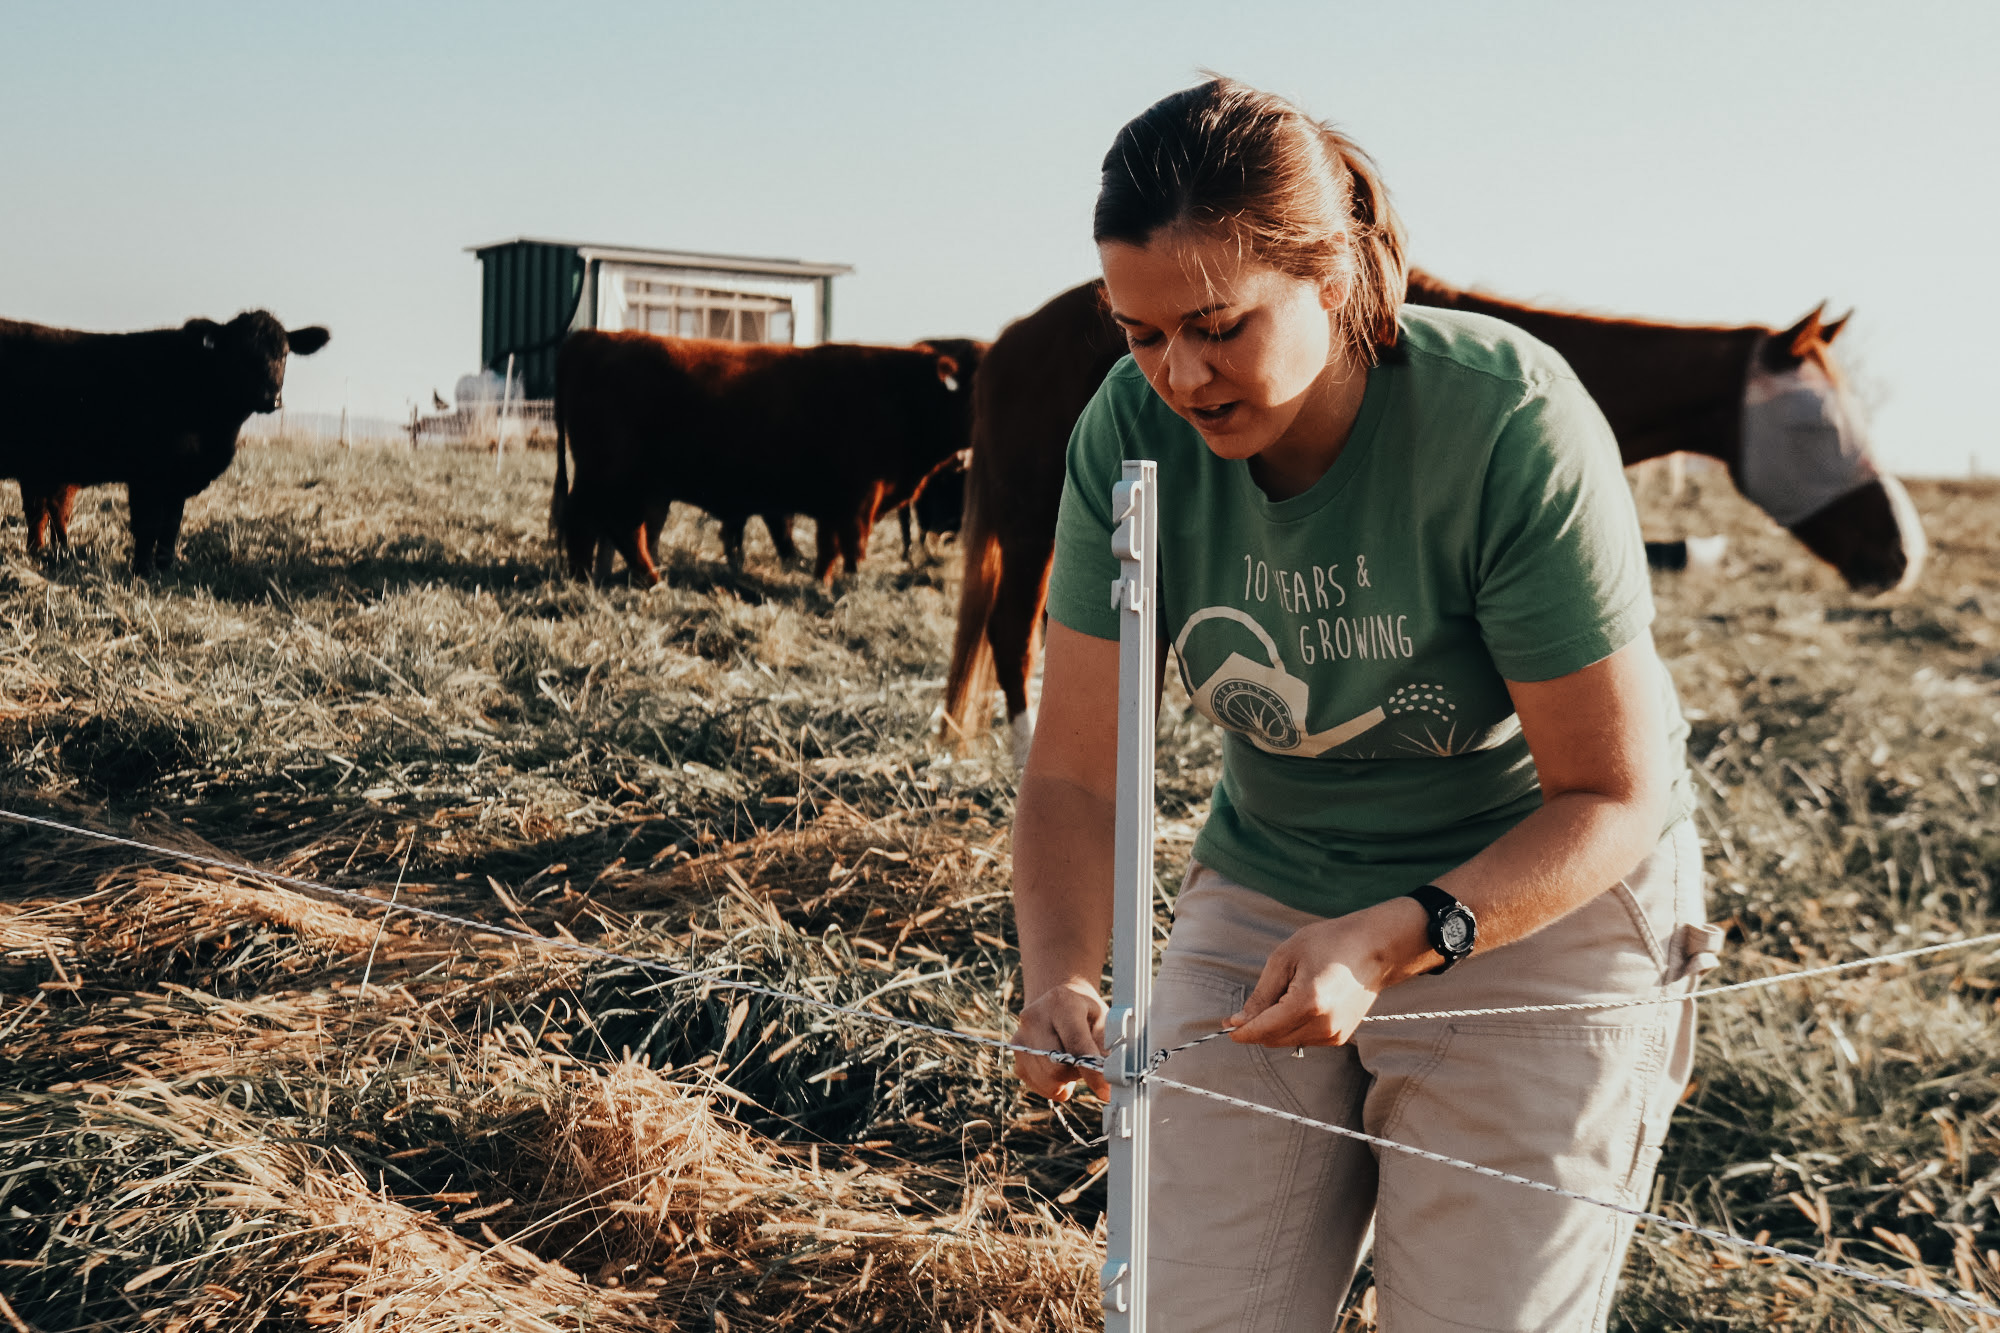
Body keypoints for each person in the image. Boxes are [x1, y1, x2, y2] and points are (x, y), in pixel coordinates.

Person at [1010, 78, 1711, 1332]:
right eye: (1139, 334)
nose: (1177, 373)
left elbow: (1613, 792)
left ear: (1328, 276)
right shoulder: (1126, 434)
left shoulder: (1503, 420)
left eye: (1217, 326)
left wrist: (1398, 935)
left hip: (1527, 902)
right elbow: (1072, 771)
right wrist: (1059, 972)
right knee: (1188, 1311)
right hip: (1270, 885)